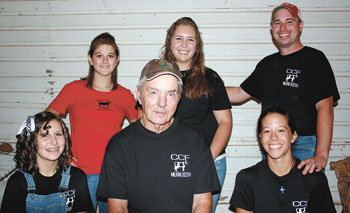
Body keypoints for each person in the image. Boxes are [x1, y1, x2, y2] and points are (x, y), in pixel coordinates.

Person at [226, 3, 340, 174]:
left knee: (303, 199)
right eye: (277, 23)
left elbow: (326, 107)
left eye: (289, 21)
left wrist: (321, 155)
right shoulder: (267, 64)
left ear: (300, 26)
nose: (283, 28)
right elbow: (238, 94)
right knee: (274, 198)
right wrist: (203, 87)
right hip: (273, 145)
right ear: (271, 29)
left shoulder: (315, 60)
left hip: (304, 146)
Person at [97, 59, 220, 212]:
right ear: (140, 95)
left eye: (170, 94)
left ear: (179, 98)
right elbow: (118, 207)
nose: (162, 103)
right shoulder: (119, 146)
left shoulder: (196, 141)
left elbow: (202, 203)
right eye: (154, 92)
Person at [137, 17, 232, 212]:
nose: (184, 45)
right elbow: (142, 119)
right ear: (169, 41)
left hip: (209, 162)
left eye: (190, 39)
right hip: (166, 162)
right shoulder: (154, 76)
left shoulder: (210, 78)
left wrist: (207, 159)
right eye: (179, 38)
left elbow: (225, 122)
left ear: (197, 45)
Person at [46, 32, 138, 212]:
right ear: (90, 59)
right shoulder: (73, 89)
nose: (105, 61)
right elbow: (46, 120)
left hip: (113, 174)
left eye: (110, 56)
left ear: (117, 60)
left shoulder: (125, 95)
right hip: (80, 173)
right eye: (99, 55)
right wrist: (62, 151)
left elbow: (142, 129)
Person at [229, 107, 336, 213]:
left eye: (280, 130)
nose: (274, 137)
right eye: (267, 131)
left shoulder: (313, 179)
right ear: (260, 138)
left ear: (293, 136)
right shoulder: (247, 178)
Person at [1, 111, 94, 213]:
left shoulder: (76, 177)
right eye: (44, 135)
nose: (54, 141)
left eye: (58, 134)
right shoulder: (18, 182)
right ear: (31, 141)